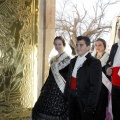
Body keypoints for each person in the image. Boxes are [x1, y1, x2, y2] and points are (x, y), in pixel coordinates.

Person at [31, 36, 71, 120]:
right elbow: (50, 74)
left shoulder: (69, 59)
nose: (57, 46)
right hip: (50, 85)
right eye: (55, 44)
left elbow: (69, 74)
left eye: (59, 44)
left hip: (61, 87)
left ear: (63, 44)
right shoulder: (53, 59)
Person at [64, 36, 102, 120]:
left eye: (81, 45)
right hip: (71, 99)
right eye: (77, 45)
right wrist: (66, 95)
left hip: (84, 101)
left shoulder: (94, 62)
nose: (78, 47)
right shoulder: (73, 61)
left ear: (88, 47)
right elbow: (69, 79)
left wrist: (90, 107)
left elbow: (96, 87)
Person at [92, 38, 112, 120]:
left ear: (104, 46)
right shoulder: (92, 57)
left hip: (103, 88)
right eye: (96, 45)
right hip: (92, 87)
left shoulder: (108, 57)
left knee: (101, 110)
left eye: (100, 45)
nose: (97, 47)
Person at [106, 26, 120, 120]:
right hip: (115, 85)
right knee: (116, 112)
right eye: (119, 30)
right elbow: (109, 62)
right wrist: (108, 69)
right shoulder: (115, 46)